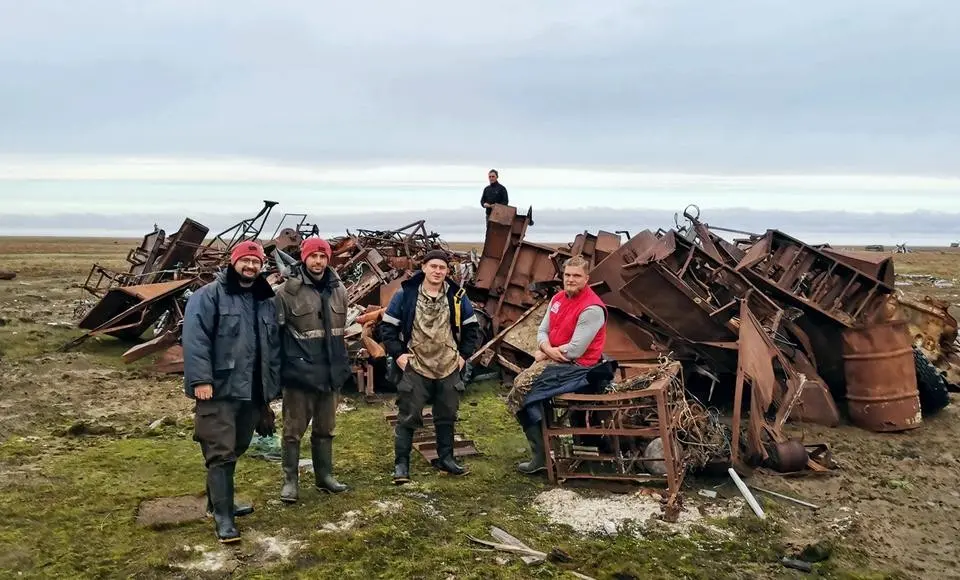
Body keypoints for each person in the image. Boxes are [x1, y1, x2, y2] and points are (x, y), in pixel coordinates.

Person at [182, 240, 281, 543]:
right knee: (220, 452)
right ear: (234, 261)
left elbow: (271, 348)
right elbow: (196, 339)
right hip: (219, 389)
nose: (251, 266)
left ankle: (218, 501)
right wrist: (201, 380)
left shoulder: (266, 299)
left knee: (236, 447)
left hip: (251, 391)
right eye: (246, 261)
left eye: (256, 262)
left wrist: (269, 393)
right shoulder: (209, 296)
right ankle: (224, 517)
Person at [379, 249, 482, 483]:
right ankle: (401, 465)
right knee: (408, 416)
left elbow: (472, 328)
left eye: (442, 268)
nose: (437, 271)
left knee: (447, 414)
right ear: (424, 267)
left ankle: (446, 459)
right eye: (433, 266)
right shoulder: (405, 294)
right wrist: (398, 355)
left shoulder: (457, 296)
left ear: (447, 271)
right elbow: (388, 327)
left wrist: (463, 355)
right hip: (416, 365)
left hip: (448, 366)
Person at [507, 255, 614, 475]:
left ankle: (542, 457)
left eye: (577, 276)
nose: (571, 279)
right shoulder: (557, 299)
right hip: (556, 360)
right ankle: (544, 454)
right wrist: (547, 348)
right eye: (567, 275)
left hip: (579, 369)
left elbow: (575, 351)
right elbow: (541, 331)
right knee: (521, 390)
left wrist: (544, 351)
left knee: (523, 392)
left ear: (587, 278)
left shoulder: (592, 308)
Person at [275, 236, 352, 503]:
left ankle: (324, 476)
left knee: (326, 429)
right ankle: (290, 481)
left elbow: (339, 332)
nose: (318, 261)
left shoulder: (339, 290)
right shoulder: (287, 292)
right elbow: (276, 336)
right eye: (313, 256)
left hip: (331, 374)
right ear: (304, 258)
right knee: (292, 431)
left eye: (322, 256)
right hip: (300, 376)